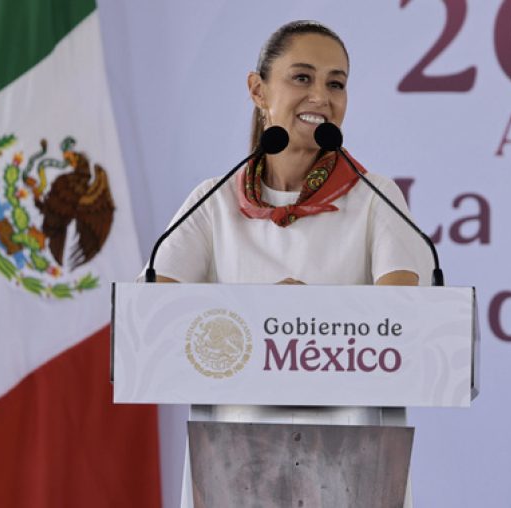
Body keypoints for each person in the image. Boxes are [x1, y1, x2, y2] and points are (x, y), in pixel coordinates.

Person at [146, 20, 428, 507]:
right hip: (229, 463)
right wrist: (262, 311)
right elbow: (148, 322)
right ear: (258, 90)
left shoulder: (377, 197)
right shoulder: (211, 202)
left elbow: (406, 323)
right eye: (302, 78)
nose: (321, 95)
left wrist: (309, 314)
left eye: (335, 83)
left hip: (352, 461)